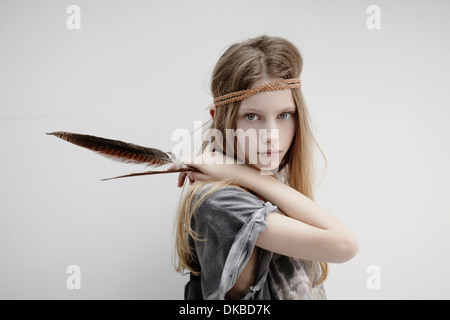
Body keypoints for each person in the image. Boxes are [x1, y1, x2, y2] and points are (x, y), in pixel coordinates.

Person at [171, 35, 359, 300]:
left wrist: (246, 176)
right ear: (219, 118)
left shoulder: (259, 188)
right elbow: (345, 245)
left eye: (284, 115)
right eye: (252, 116)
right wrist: (244, 175)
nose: (271, 134)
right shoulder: (221, 203)